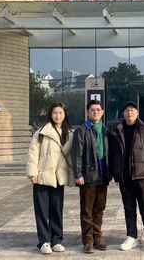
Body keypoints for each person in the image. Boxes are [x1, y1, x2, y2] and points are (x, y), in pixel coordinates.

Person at [108, 101, 144, 252]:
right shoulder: (117, 131)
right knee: (129, 208)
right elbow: (112, 153)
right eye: (127, 110)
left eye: (132, 110)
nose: (129, 113)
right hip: (125, 177)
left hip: (142, 176)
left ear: (137, 113)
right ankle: (131, 237)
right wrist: (113, 171)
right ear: (123, 114)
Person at [26, 101, 75, 255]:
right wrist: (33, 173)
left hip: (58, 177)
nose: (57, 116)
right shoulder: (41, 132)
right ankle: (44, 241)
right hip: (42, 176)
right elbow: (33, 154)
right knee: (41, 210)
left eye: (60, 113)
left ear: (65, 114)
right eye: (54, 113)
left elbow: (72, 157)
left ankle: (57, 240)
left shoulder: (70, 134)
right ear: (50, 114)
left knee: (57, 209)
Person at [72, 99, 111, 254]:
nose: (96, 112)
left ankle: (98, 238)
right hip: (88, 175)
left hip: (103, 175)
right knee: (87, 210)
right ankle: (88, 240)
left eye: (98, 110)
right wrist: (78, 173)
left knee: (99, 209)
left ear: (102, 112)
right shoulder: (82, 130)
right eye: (92, 110)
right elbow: (76, 154)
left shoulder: (106, 131)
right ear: (88, 112)